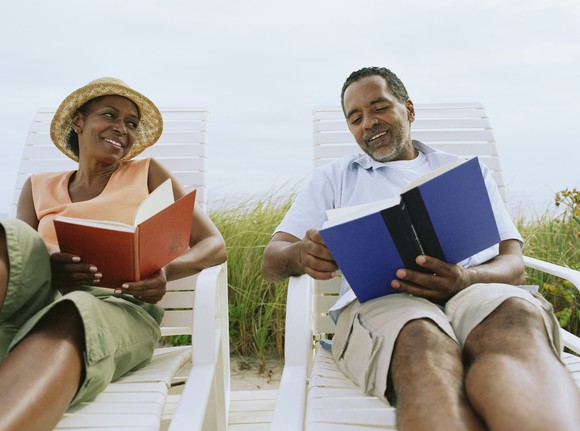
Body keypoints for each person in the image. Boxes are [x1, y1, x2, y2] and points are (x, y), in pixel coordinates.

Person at [261, 67, 580, 430]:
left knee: (514, 322)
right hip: (386, 303)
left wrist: (466, 278)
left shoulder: (464, 171)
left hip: (476, 289)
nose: (368, 123)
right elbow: (271, 260)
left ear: (408, 110)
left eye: (379, 108)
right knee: (420, 341)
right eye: (355, 117)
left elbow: (513, 263)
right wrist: (300, 254)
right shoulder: (335, 178)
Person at [0, 77, 227, 431]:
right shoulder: (37, 186)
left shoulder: (147, 173)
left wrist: (165, 272)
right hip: (40, 299)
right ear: (78, 121)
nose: (122, 129)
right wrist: (49, 269)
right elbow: (19, 264)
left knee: (75, 311)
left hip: (115, 308)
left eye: (131, 124)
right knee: (9, 237)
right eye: (110, 115)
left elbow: (214, 244)